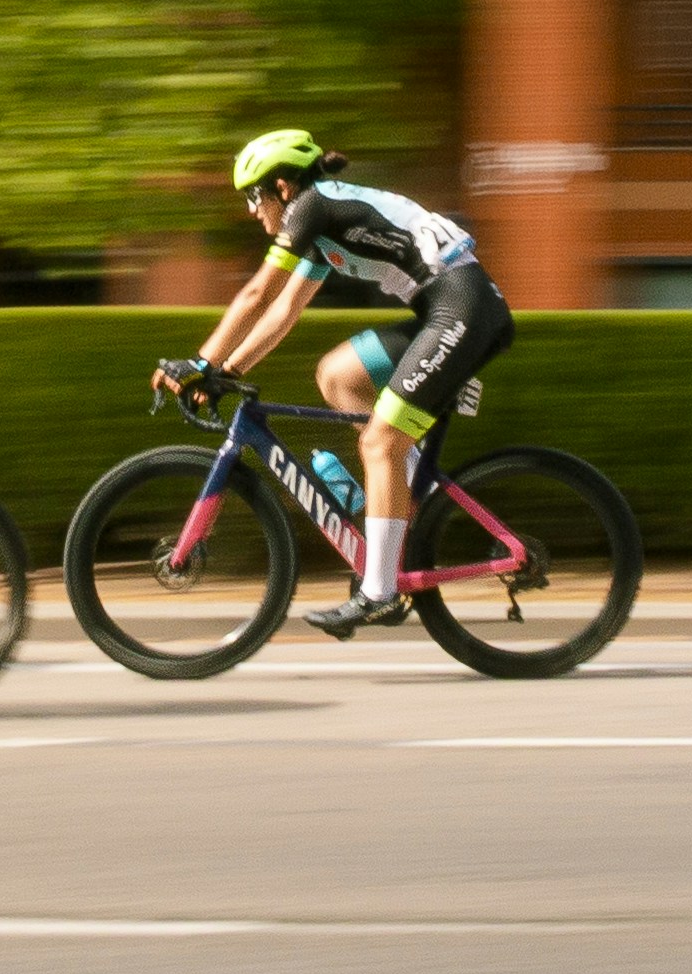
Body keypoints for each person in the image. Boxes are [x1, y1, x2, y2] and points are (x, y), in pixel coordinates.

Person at [161, 128, 512, 642]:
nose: (251, 211)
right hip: (444, 310)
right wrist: (227, 371)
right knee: (337, 375)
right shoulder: (323, 225)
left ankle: (378, 592)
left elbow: (258, 292)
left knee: (379, 441)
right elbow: (283, 312)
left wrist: (197, 361)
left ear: (282, 188)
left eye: (254, 197)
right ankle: (410, 495)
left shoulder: (314, 205)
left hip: (464, 310)